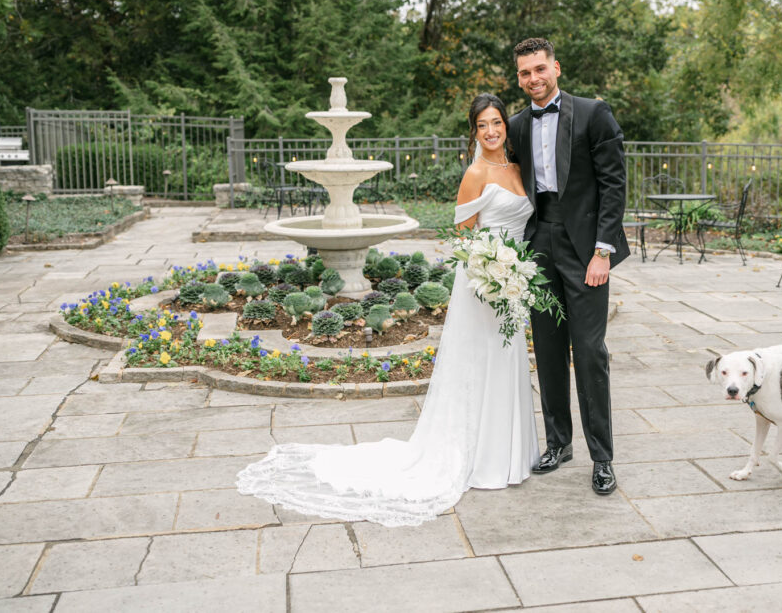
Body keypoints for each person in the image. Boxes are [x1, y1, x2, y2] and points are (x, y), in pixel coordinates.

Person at [236, 94, 539, 527]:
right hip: (481, 285)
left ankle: (510, 453)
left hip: (510, 286)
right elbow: (463, 235)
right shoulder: (475, 174)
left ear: (505, 126)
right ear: (473, 132)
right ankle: (483, 458)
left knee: (507, 361)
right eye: (482, 126)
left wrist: (512, 276)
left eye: (496, 123)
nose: (491, 132)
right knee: (480, 365)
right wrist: (489, 272)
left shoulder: (516, 170)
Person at [508, 37, 629, 495]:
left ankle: (602, 457)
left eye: (540, 69)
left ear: (555, 67)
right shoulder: (518, 124)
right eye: (525, 73)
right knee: (548, 347)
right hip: (539, 242)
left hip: (585, 248)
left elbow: (614, 184)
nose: (534, 79)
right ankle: (559, 443)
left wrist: (603, 251)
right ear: (518, 78)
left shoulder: (593, 113)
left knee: (590, 351)